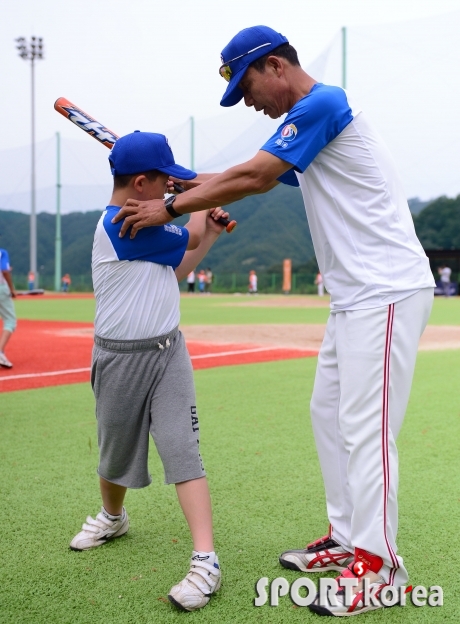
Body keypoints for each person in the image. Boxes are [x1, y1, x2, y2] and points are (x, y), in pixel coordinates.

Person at [113, 26, 435, 616]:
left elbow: (255, 177)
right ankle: (346, 541)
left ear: (277, 65)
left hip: (386, 290)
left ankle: (382, 566)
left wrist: (169, 204)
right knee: (328, 416)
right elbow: (248, 173)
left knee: (368, 429)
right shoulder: (307, 128)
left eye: (248, 86)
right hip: (354, 298)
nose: (249, 102)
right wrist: (188, 183)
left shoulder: (326, 103)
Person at [70, 131, 231, 612]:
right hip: (119, 357)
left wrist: (200, 219)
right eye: (163, 183)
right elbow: (193, 231)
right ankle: (112, 516)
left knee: (183, 448)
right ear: (140, 183)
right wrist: (196, 201)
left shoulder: (146, 218)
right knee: (115, 450)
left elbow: (175, 266)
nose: (168, 191)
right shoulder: (122, 223)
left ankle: (207, 559)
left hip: (167, 353)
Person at [0, 247, 17, 368]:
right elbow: (5, 271)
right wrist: (12, 289)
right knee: (10, 321)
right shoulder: (2, 252)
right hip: (1, 288)